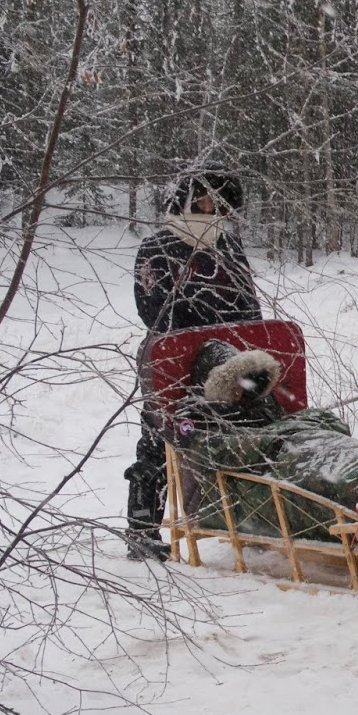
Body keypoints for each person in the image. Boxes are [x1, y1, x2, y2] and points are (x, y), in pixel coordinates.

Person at [124, 169, 262, 560]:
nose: (209, 204)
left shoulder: (229, 245)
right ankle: (142, 529)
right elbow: (151, 307)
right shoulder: (158, 247)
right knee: (161, 437)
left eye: (216, 198)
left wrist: (247, 346)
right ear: (184, 199)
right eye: (202, 197)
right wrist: (192, 340)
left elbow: (247, 301)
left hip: (230, 356)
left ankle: (253, 520)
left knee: (247, 432)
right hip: (174, 356)